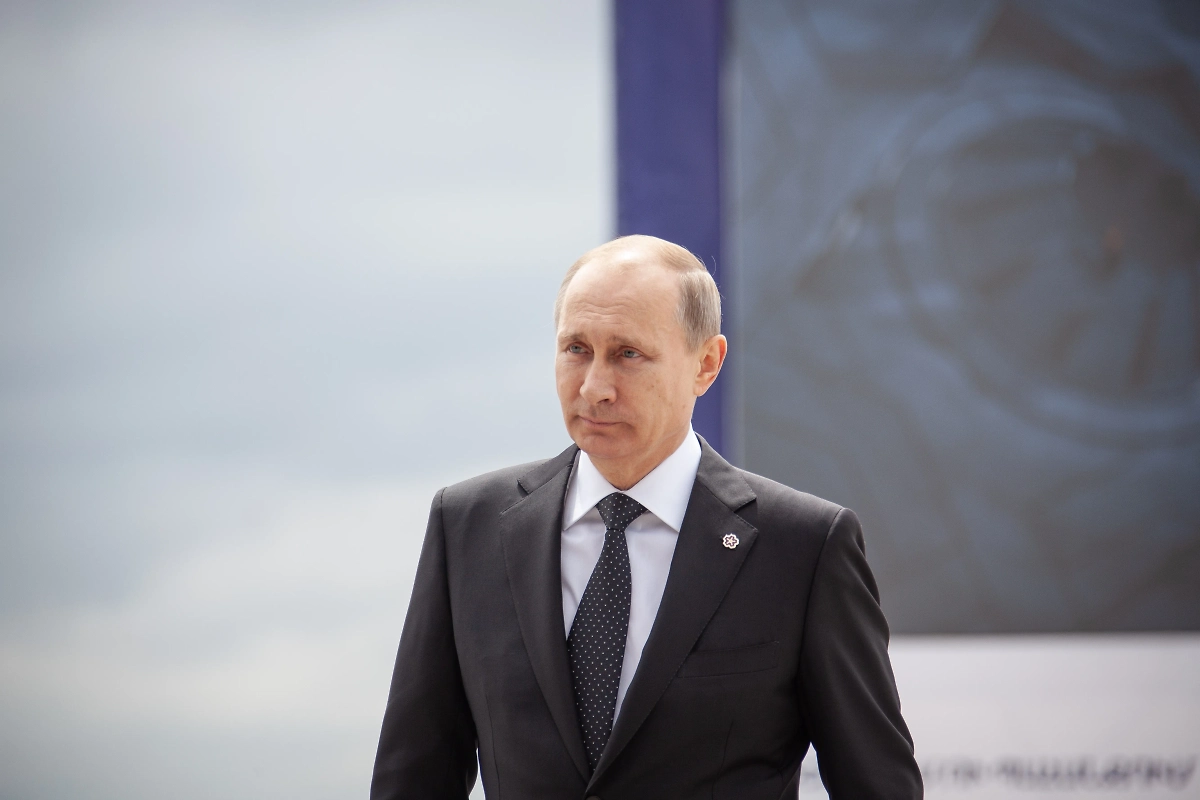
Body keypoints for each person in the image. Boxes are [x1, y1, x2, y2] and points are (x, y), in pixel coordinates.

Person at [371, 235, 922, 799]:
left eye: (627, 354)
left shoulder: (802, 547)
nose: (594, 388)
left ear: (706, 364)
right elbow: (413, 777)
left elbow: (877, 785)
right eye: (576, 349)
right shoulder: (467, 527)